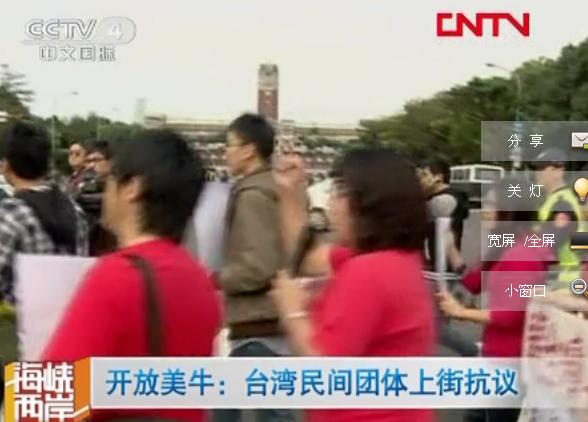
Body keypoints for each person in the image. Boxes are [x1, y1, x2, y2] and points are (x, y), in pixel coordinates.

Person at [43, 129, 221, 422]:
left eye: (110, 178)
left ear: (133, 188)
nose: (104, 189)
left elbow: (49, 400)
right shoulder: (200, 279)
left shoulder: (117, 277)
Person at [272, 149, 435, 422]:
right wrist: (289, 192)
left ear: (369, 204)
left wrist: (293, 312)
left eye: (339, 192)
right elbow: (307, 258)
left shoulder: (368, 271)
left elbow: (325, 369)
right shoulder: (396, 260)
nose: (331, 203)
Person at [437, 177, 550, 422]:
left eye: (491, 205)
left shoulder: (523, 255)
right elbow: (473, 282)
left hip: (512, 360)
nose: (485, 211)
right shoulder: (505, 244)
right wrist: (450, 249)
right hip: (496, 356)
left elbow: (509, 315)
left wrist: (459, 312)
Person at [213, 113, 292, 422]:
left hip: (256, 323)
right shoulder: (273, 188)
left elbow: (258, 266)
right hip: (268, 320)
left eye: (229, 145)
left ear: (248, 150)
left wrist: (218, 278)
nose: (226, 153)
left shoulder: (253, 195)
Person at [0, 121, 88, 305]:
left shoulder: (10, 213)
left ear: (5, 165)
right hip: (65, 315)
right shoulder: (75, 210)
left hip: (20, 317)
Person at [533, 148, 584, 288]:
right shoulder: (553, 200)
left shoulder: (563, 203)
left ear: (559, 170)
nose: (538, 173)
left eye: (543, 167)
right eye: (537, 168)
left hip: (567, 279)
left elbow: (549, 242)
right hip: (559, 276)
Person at [418, 157, 469, 272]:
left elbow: (425, 211)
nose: (421, 180)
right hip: (438, 265)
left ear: (438, 177)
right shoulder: (435, 197)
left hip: (446, 268)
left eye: (424, 175)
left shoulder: (447, 199)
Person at [75, 140, 117, 255]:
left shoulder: (121, 188)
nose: (91, 165)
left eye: (97, 160)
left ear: (111, 162)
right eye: (88, 161)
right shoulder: (80, 184)